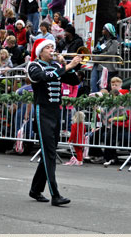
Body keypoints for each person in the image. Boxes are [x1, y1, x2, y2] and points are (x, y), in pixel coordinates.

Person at [27, 38, 82, 206]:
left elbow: (74, 81)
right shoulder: (34, 66)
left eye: (53, 47)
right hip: (42, 111)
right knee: (50, 153)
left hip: (55, 112)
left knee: (48, 152)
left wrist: (66, 65)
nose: (52, 50)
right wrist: (67, 66)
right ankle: (55, 194)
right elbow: (43, 77)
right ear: (41, 51)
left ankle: (35, 189)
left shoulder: (57, 66)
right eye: (48, 47)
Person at [90, 23, 119, 92]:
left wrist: (97, 57)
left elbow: (110, 53)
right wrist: (97, 50)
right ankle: (93, 97)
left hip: (106, 66)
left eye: (104, 29)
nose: (102, 30)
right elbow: (95, 50)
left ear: (108, 31)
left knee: (102, 85)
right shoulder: (101, 40)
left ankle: (101, 99)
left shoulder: (114, 42)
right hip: (97, 65)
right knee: (93, 82)